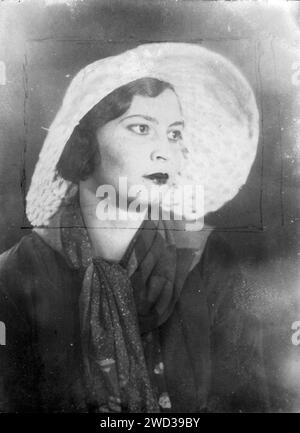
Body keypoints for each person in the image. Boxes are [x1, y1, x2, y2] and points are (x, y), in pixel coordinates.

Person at [0, 43, 269, 413]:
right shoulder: (16, 274)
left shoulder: (208, 257)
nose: (165, 152)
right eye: (141, 128)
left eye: (174, 134)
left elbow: (250, 401)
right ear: (83, 141)